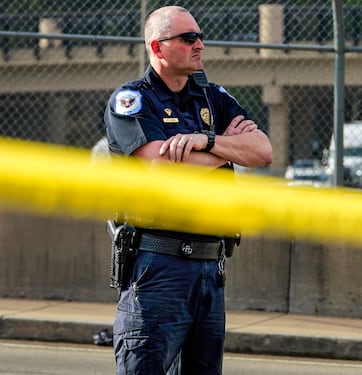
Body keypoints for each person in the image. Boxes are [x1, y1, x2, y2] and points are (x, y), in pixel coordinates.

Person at [103, 5, 273, 375]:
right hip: (158, 268)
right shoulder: (132, 100)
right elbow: (160, 166)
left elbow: (262, 151)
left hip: (210, 266)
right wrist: (224, 145)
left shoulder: (213, 97)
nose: (200, 45)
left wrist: (202, 140)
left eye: (199, 36)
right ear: (158, 48)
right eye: (188, 38)